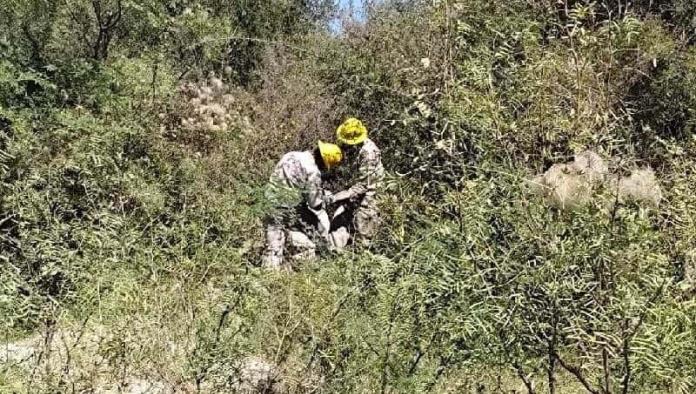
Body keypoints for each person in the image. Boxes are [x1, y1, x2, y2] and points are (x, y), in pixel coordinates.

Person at [262, 141, 342, 270]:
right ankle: (274, 277)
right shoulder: (313, 171)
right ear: (323, 161)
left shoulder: (291, 155)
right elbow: (315, 204)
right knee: (276, 250)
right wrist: (327, 199)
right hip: (285, 208)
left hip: (267, 200)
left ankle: (278, 267)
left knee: (273, 241)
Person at [329, 118, 384, 249]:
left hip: (369, 198)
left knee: (363, 234)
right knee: (339, 223)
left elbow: (365, 185)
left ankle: (362, 260)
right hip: (356, 195)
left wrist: (340, 196)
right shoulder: (355, 149)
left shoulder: (369, 153)